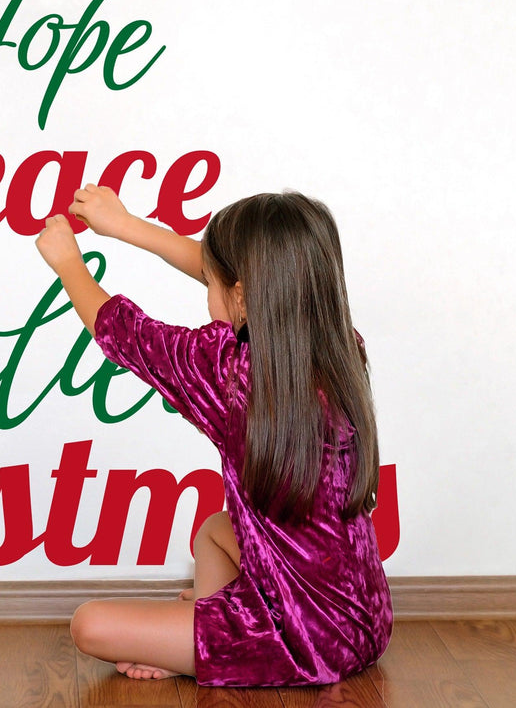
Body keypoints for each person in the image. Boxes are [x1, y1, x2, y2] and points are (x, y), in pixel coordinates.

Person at [34, 185, 393, 687]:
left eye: (211, 281)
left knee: (89, 625)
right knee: (212, 531)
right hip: (365, 621)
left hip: (303, 642)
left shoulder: (227, 373)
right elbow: (226, 272)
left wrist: (69, 265)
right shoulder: (340, 349)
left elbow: (125, 332)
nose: (205, 283)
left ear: (243, 297)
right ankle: (204, 638)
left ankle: (206, 652)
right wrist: (125, 226)